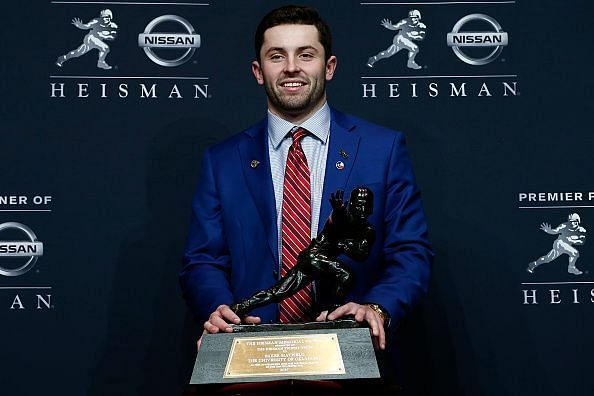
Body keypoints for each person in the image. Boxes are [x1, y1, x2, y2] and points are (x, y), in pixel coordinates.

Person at [180, 5, 432, 353]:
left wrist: (376, 307)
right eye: (276, 56)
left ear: (329, 67)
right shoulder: (222, 160)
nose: (291, 67)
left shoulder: (383, 149)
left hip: (351, 353)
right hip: (250, 354)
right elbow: (203, 258)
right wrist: (219, 309)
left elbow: (410, 251)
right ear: (258, 71)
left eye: (306, 54)